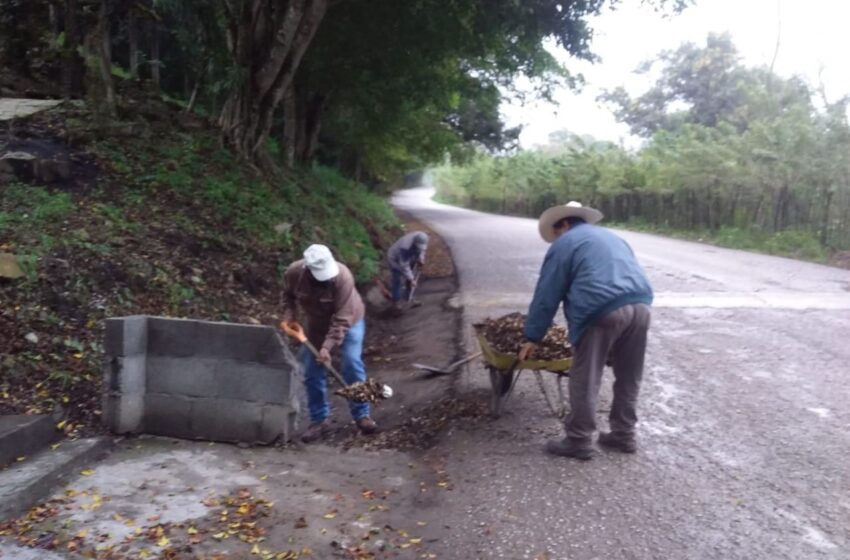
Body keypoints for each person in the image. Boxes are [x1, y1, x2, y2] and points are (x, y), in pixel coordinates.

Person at [519, 201, 653, 460]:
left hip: (601, 310)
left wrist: (532, 336)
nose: (555, 237)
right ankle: (624, 435)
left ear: (564, 224)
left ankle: (579, 440)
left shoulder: (565, 243)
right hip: (641, 306)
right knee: (629, 375)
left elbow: (547, 293)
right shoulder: (612, 237)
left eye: (555, 232)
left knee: (585, 378)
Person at [281, 244, 378, 443]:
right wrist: (289, 314)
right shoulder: (294, 273)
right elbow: (287, 295)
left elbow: (342, 320)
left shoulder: (343, 277)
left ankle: (362, 414)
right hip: (316, 325)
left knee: (351, 362)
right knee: (311, 369)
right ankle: (319, 420)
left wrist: (326, 348)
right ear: (308, 270)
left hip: (350, 321)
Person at [386, 231, 428, 305]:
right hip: (395, 259)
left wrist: (421, 259)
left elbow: (422, 250)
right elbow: (404, 265)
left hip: (410, 256)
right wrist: (411, 279)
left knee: (411, 277)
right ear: (415, 242)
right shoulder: (405, 247)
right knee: (397, 279)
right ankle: (396, 303)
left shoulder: (423, 238)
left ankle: (408, 298)